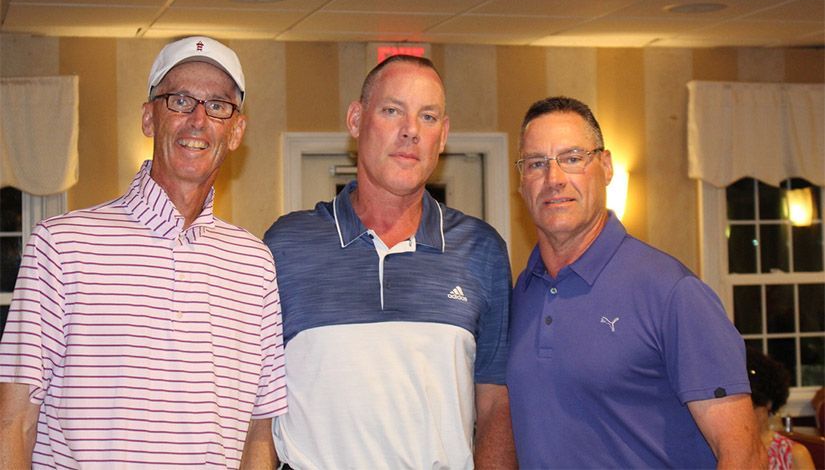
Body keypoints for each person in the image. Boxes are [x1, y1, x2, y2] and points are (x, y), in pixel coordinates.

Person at [0, 36, 287, 469]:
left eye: (218, 106)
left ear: (236, 131)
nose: (198, 120)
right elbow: (14, 420)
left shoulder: (254, 264)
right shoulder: (61, 246)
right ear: (149, 118)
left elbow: (258, 433)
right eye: (180, 100)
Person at [263, 54, 515, 469]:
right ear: (356, 119)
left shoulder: (482, 250)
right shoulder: (286, 246)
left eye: (428, 117)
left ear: (444, 134)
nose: (410, 131)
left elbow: (495, 406)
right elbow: (260, 406)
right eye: (392, 110)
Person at [506, 96, 767, 469]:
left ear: (606, 166)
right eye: (536, 164)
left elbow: (744, 455)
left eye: (573, 158)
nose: (554, 179)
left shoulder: (673, 293)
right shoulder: (523, 293)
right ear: (521, 182)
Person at [747, 347, 816, 470]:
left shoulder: (794, 454)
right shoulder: (723, 451)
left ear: (769, 403)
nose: (746, 415)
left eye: (753, 407)